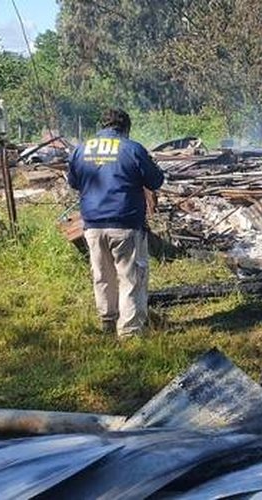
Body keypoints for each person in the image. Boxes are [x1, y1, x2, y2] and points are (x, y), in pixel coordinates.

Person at [68, 109, 165, 338]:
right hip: (125, 222)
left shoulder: (81, 149)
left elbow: (74, 182)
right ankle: (130, 333)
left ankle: (108, 322)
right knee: (130, 278)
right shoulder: (132, 148)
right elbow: (155, 180)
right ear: (126, 127)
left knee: (103, 276)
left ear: (102, 125)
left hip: (92, 224)